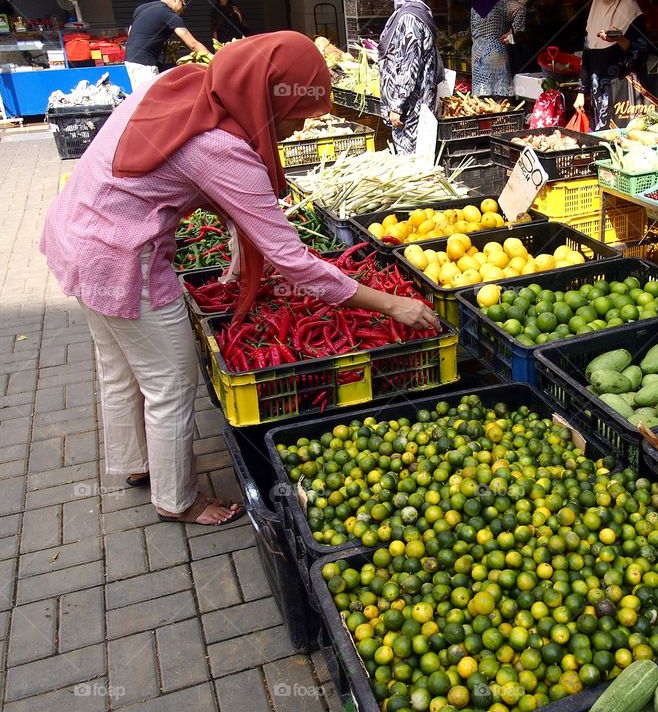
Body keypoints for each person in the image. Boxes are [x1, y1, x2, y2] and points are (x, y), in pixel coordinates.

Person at [40, 32, 440, 527]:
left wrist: (237, 236)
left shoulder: (184, 84)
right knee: (170, 381)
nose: (295, 130)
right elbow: (291, 261)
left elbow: (189, 181)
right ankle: (176, 499)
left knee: (119, 364)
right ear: (267, 96)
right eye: (297, 116)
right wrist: (390, 304)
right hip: (122, 259)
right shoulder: (221, 146)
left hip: (77, 233)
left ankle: (135, 465)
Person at [378, 0, 443, 155]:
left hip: (410, 108)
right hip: (412, 104)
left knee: (410, 158)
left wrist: (396, 106)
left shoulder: (409, 18)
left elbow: (409, 65)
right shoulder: (413, 12)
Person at [573, 0, 648, 130]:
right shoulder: (596, 11)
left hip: (624, 96)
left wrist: (619, 39)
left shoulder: (632, 13)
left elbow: (641, 55)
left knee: (624, 138)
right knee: (601, 138)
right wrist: (581, 92)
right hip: (598, 95)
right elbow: (586, 56)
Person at [124, 0, 209, 90]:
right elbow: (193, 44)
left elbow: (131, 32)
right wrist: (212, 59)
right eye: (184, 5)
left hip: (130, 59)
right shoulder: (169, 15)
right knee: (150, 98)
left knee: (138, 96)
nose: (183, 10)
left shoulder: (141, 8)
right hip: (144, 63)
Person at [470, 0, 526, 96]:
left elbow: (473, 32)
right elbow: (520, 8)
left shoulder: (477, 3)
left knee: (481, 97)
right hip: (494, 49)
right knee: (500, 96)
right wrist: (513, 33)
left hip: (477, 52)